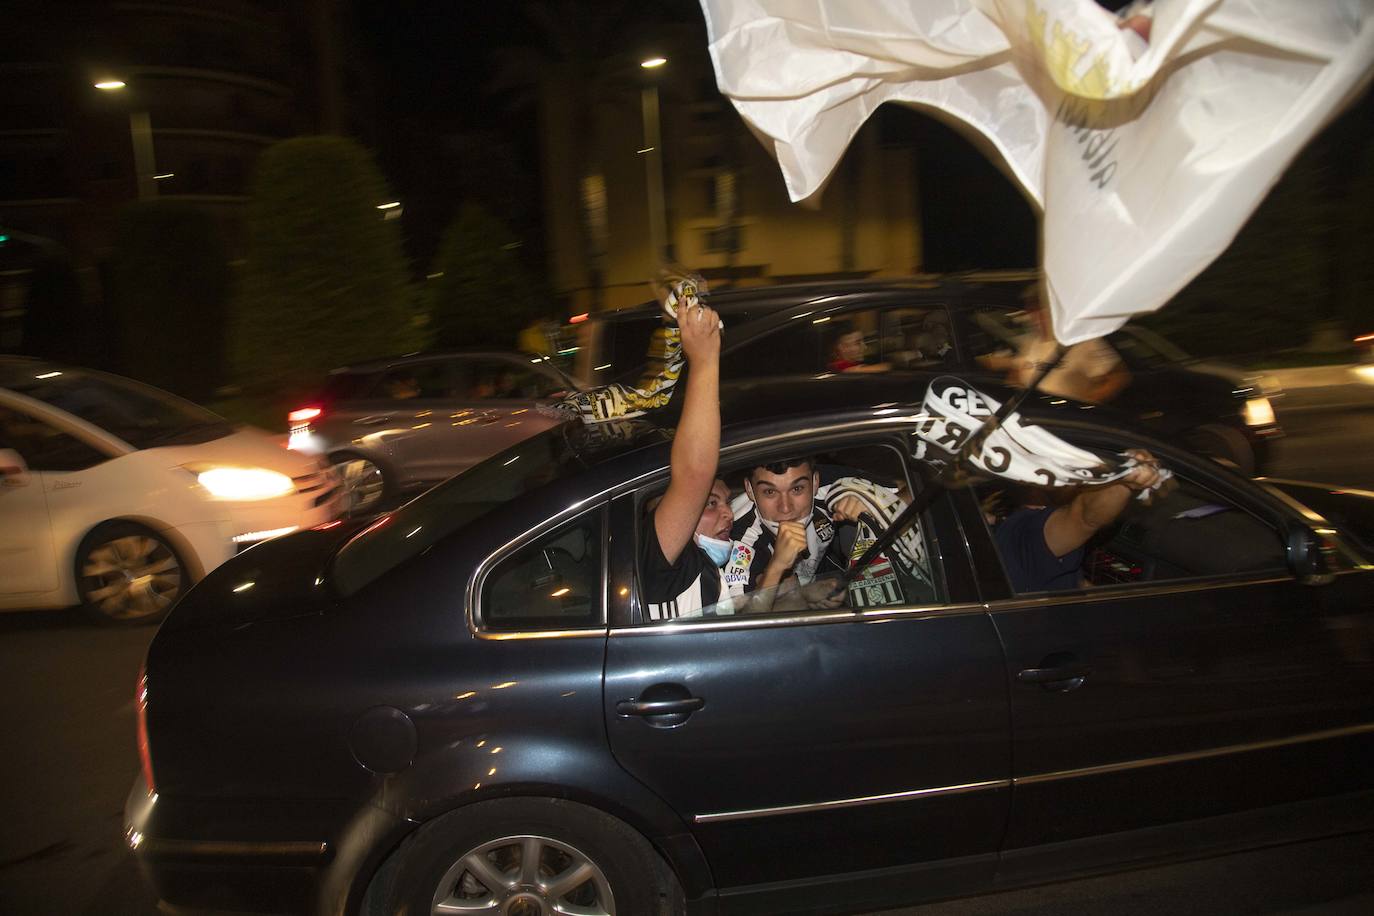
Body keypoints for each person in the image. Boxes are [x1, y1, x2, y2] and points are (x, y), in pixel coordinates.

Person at [639, 300, 737, 620]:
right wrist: (705, 360)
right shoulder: (665, 566)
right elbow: (695, 472)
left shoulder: (699, 563)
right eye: (708, 503)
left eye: (726, 501)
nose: (727, 513)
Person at [728, 457, 901, 611]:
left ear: (815, 482)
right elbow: (743, 622)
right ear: (750, 490)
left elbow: (909, 491)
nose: (786, 508)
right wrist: (777, 566)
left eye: (797, 489)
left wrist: (875, 503)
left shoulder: (832, 488)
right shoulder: (737, 535)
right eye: (770, 492)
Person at [994, 448, 1162, 592]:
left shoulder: (995, 529)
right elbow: (1085, 516)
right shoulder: (1023, 535)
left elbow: (1079, 586)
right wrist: (1124, 477)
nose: (1080, 483)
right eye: (1072, 476)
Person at [981, 283, 1130, 405]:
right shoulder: (1031, 343)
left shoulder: (1082, 341)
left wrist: (1087, 404)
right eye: (1032, 310)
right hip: (1041, 420)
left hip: (1068, 423)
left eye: (1040, 309)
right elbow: (1019, 373)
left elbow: (1118, 376)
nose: (1036, 316)